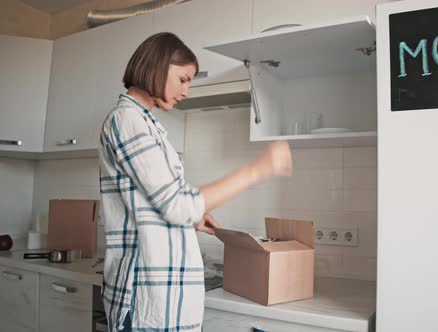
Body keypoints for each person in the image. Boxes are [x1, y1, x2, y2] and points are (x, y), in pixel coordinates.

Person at [98, 32, 292, 332]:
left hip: (162, 304)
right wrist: (259, 169)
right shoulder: (127, 120)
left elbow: (155, 205)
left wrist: (190, 221)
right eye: (183, 79)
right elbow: (175, 204)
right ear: (157, 67)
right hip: (147, 303)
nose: (186, 91)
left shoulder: (146, 125)